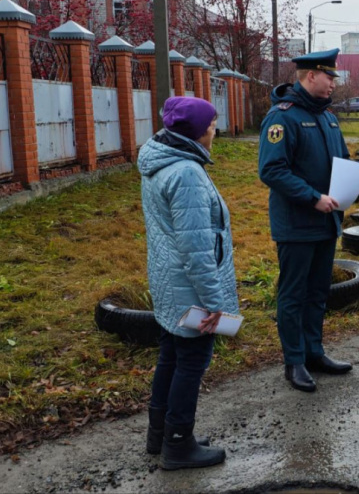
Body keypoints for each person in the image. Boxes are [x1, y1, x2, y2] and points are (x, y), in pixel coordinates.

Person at [258, 49, 359, 393]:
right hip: (297, 224)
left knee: (317, 292)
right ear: (311, 75)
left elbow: (339, 163)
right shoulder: (283, 118)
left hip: (327, 223)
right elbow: (271, 170)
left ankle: (314, 353)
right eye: (329, 77)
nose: (333, 84)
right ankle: (294, 361)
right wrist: (313, 197)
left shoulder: (327, 117)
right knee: (294, 293)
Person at [138, 96, 238, 470]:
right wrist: (215, 303)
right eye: (212, 125)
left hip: (168, 281)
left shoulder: (159, 159)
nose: (216, 130)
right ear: (197, 132)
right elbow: (196, 249)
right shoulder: (186, 174)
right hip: (189, 287)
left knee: (171, 356)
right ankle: (178, 445)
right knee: (191, 361)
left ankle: (159, 435)